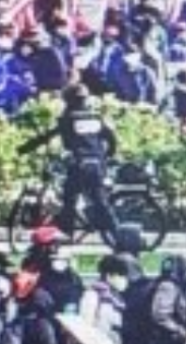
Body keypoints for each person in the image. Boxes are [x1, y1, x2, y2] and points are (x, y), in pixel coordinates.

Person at [27, 85, 118, 242]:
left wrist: (26, 147)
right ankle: (117, 234)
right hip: (97, 163)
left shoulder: (68, 118)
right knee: (98, 199)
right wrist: (107, 155)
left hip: (79, 163)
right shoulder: (95, 116)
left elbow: (49, 135)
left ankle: (67, 232)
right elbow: (111, 138)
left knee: (70, 197)